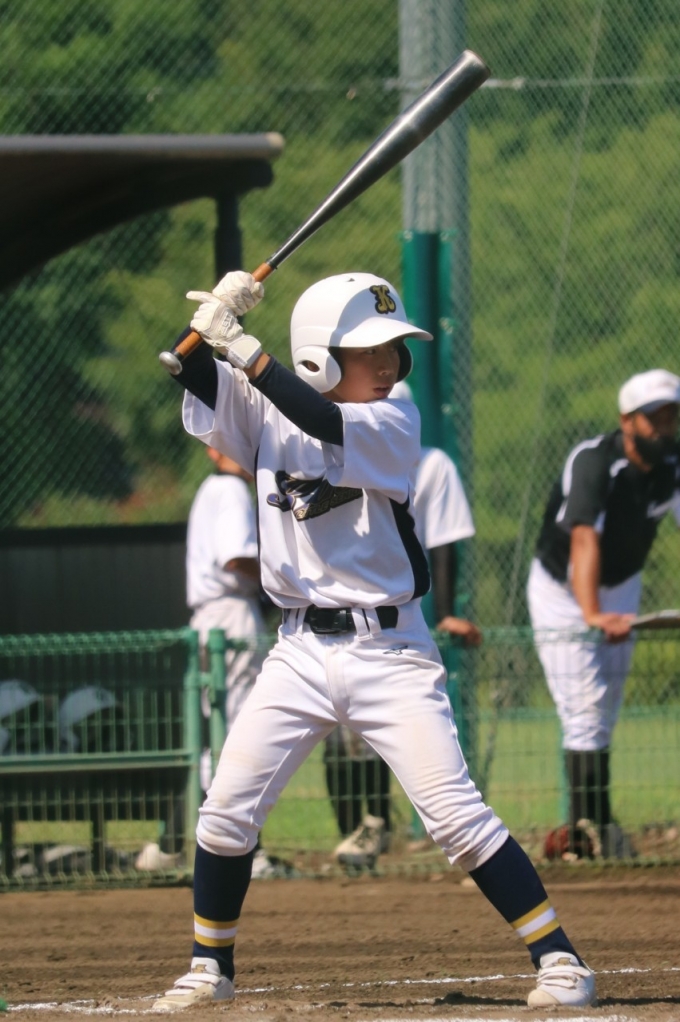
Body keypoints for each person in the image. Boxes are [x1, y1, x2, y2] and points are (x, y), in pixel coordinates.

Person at [151, 268, 595, 1011]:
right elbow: (188, 367)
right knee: (225, 812)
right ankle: (208, 968)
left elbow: (321, 421)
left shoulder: (394, 417)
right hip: (298, 651)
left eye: (392, 348)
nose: (388, 363)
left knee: (454, 818)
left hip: (390, 651)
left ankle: (561, 961)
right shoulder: (263, 408)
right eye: (368, 350)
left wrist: (246, 349)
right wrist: (213, 319)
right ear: (318, 355)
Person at [326, 380, 482, 870]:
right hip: (339, 605)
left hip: (400, 610)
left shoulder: (431, 464)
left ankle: (385, 824)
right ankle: (357, 829)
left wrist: (446, 612)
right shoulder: (341, 457)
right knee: (339, 732)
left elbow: (445, 541)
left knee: (394, 722)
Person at [527, 368, 680, 860]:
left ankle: (598, 825)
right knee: (583, 710)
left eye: (671, 417)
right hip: (565, 591)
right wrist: (593, 615)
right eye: (654, 418)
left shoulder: (672, 463)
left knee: (606, 707)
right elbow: (583, 539)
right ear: (627, 421)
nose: (664, 428)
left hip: (622, 584)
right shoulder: (594, 461)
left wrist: (609, 610)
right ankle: (587, 830)